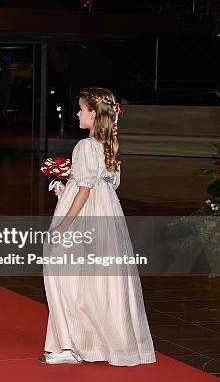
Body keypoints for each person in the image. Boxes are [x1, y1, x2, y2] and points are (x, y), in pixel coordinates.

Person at [40, 87, 156, 366]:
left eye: (81, 109)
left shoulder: (84, 146)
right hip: (107, 216)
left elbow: (84, 191)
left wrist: (63, 225)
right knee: (99, 279)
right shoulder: (109, 145)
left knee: (62, 275)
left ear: (93, 114)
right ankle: (106, 344)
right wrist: (63, 189)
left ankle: (71, 346)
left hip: (84, 217)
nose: (77, 113)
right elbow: (104, 184)